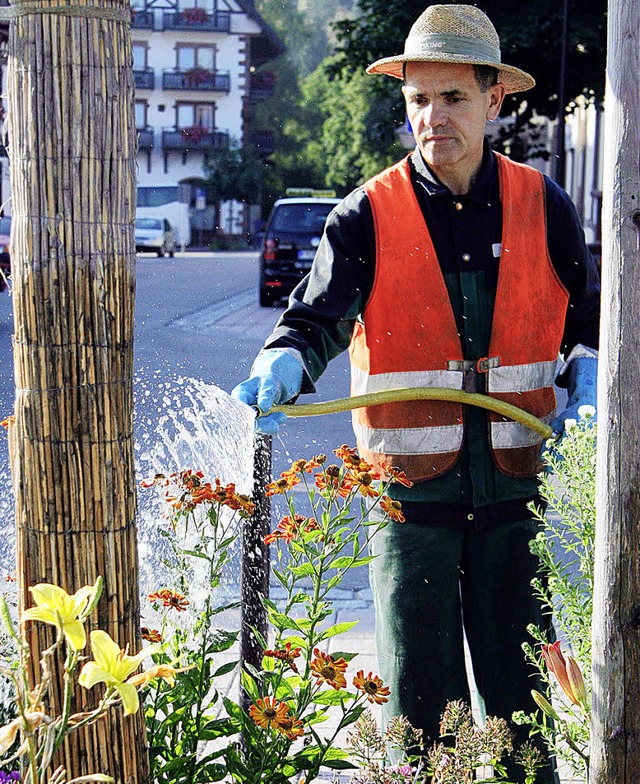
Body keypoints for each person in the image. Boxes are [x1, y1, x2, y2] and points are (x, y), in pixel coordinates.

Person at [232, 5, 599, 781]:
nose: (433, 119)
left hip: (513, 500)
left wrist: (591, 369)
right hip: (409, 512)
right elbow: (313, 318)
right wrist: (286, 360)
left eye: (453, 98)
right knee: (422, 718)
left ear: (494, 98)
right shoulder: (365, 215)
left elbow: (591, 320)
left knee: (523, 708)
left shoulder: (544, 205)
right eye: (418, 101)